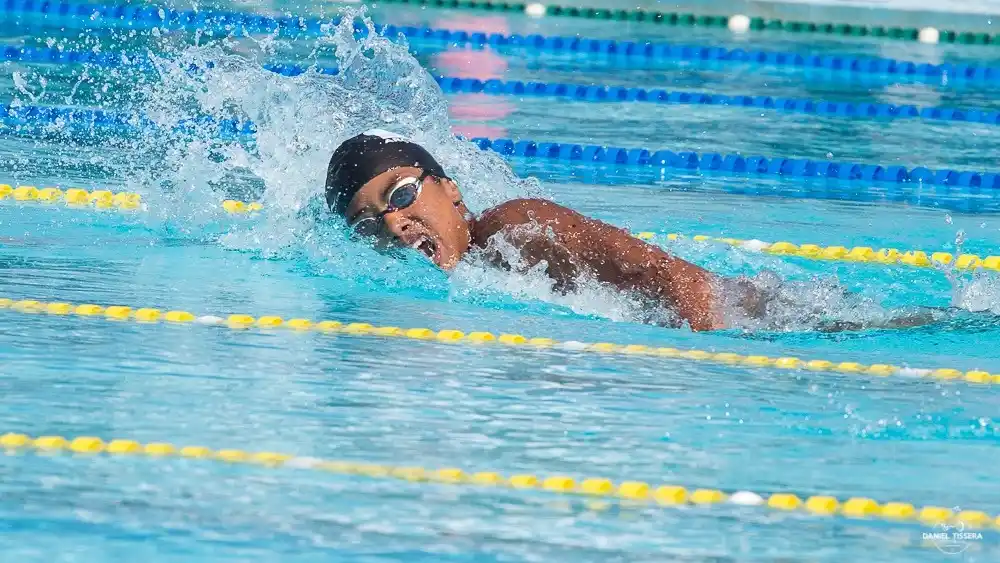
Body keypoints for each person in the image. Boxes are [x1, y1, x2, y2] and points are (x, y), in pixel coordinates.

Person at [325, 130, 775, 331]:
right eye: (367, 223)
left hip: (759, 319)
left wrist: (711, 365)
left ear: (450, 189)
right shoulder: (468, 279)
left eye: (401, 194)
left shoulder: (515, 228)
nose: (393, 222)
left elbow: (681, 278)